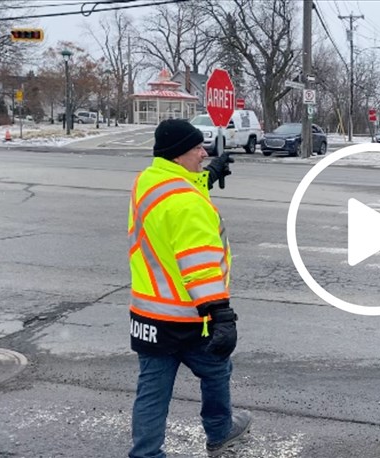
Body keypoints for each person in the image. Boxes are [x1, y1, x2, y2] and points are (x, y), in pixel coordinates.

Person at [128, 119, 251, 458]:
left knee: (152, 392)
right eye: (197, 148)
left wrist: (206, 177)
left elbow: (173, 201)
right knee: (217, 370)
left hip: (149, 315)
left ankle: (146, 453)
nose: (204, 152)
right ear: (178, 154)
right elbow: (200, 265)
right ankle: (220, 432)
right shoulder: (188, 203)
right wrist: (221, 315)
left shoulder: (148, 181)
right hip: (189, 316)